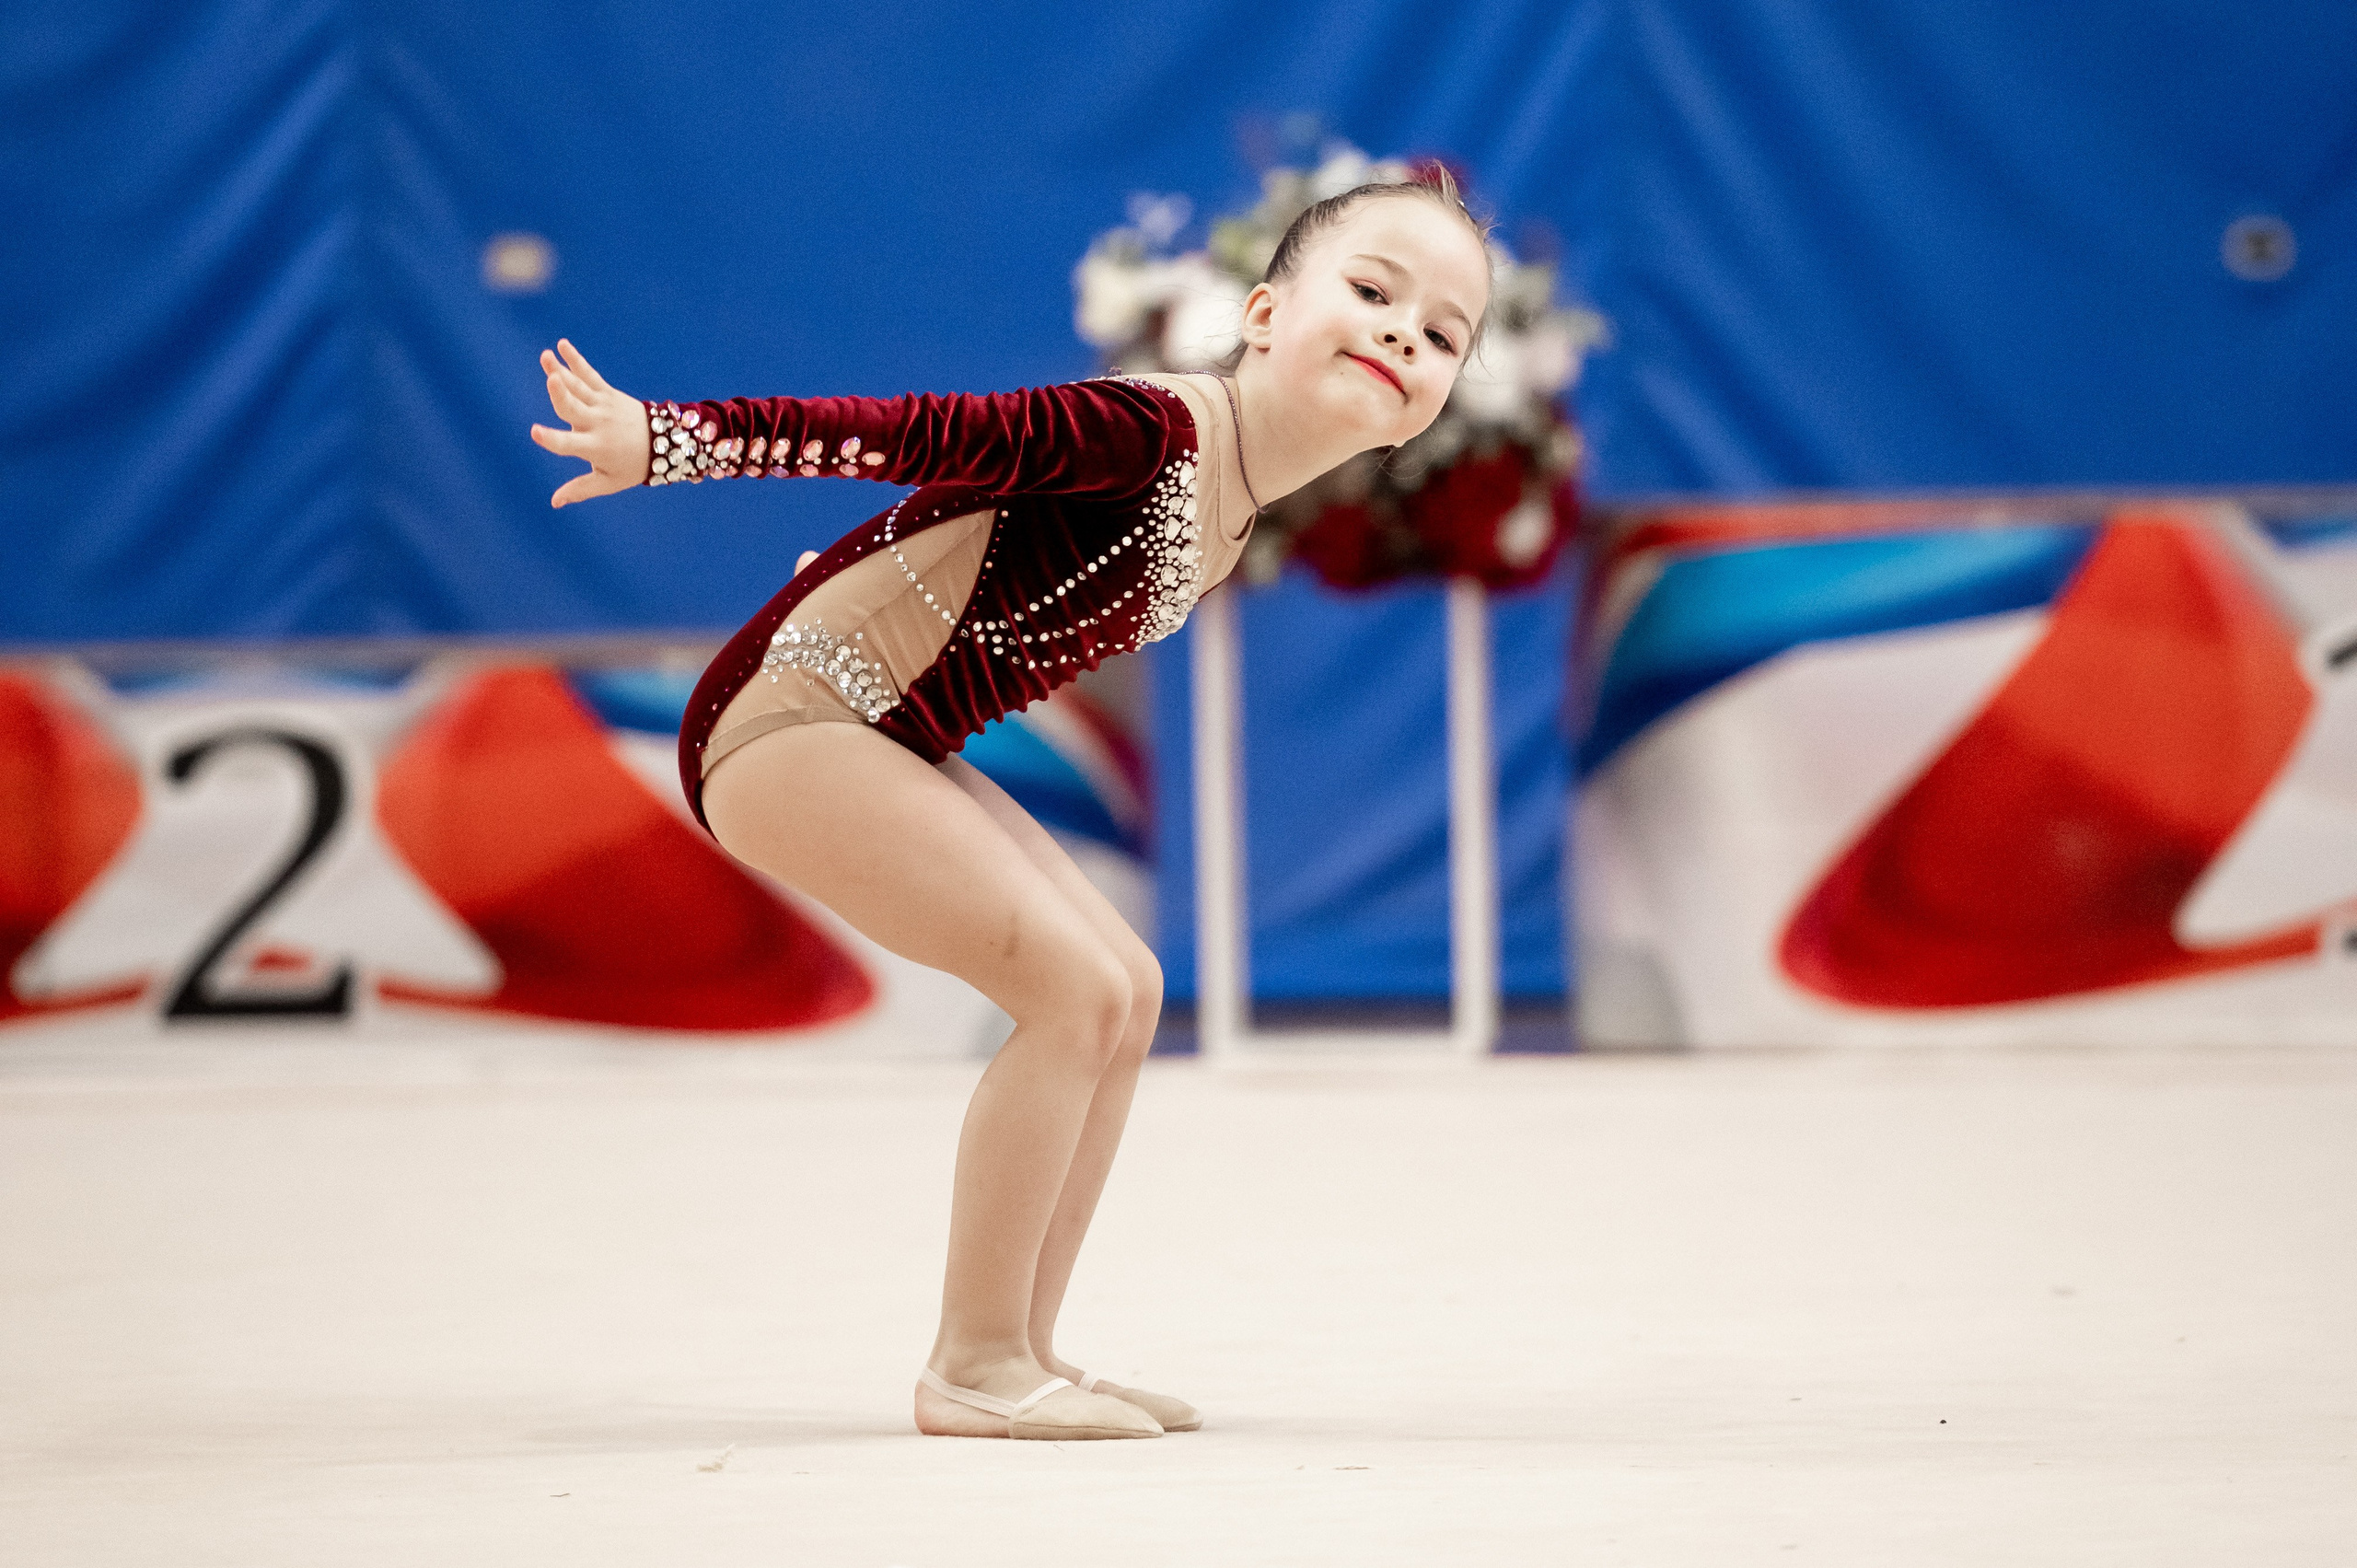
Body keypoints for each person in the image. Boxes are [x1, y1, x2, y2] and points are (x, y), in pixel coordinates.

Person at [528, 172, 1492, 1441]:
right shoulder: (1150, 433)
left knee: (1128, 988)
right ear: (1263, 313)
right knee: (1072, 992)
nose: (1398, 336)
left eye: (1439, 335)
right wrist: (677, 439)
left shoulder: (1234, 505)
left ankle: (1028, 1349)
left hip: (887, 731)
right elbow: (920, 432)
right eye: (1371, 292)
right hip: (793, 720)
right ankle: (971, 1361)